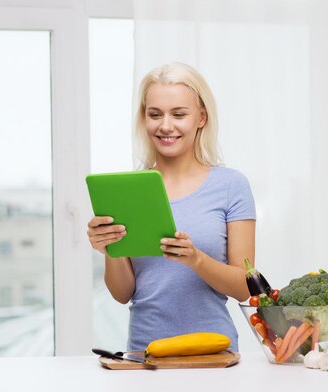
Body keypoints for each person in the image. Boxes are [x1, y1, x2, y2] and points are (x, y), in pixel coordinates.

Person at [86, 62, 256, 352]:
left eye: (178, 114)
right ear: (144, 119)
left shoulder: (231, 185)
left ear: (201, 117)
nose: (165, 125)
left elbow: (246, 287)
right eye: (155, 114)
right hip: (144, 354)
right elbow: (121, 293)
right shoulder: (129, 191)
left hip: (215, 356)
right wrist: (109, 248)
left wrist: (196, 259)